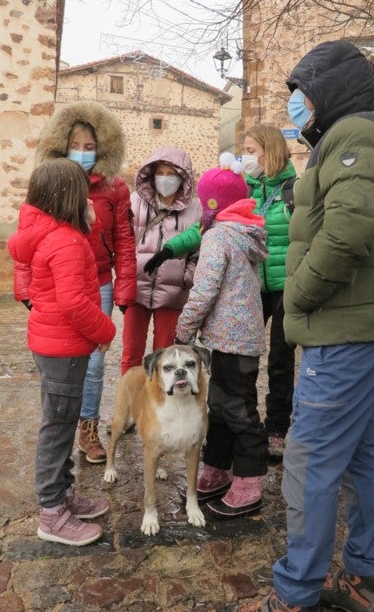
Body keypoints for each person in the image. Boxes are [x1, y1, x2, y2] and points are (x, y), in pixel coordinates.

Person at [217, 39, 374, 612]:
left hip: (345, 326)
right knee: (358, 455)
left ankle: (294, 608)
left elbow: (348, 230)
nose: (293, 106)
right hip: (356, 325)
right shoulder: (350, 136)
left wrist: (296, 296)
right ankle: (363, 581)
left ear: (326, 89)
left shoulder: (354, 134)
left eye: (298, 92)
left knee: (307, 461)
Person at [145, 125, 297, 460]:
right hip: (253, 287)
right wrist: (170, 250)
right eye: (244, 150)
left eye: (252, 149)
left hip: (286, 283)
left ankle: (275, 428)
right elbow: (210, 228)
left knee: (281, 360)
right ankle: (236, 429)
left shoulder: (293, 191)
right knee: (242, 355)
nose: (246, 156)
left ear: (270, 151)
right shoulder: (245, 190)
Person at [8, 159, 117, 546]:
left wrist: (90, 222)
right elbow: (74, 302)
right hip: (64, 348)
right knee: (57, 428)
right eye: (84, 194)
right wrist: (106, 329)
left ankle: (63, 494)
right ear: (71, 197)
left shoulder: (58, 234)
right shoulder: (65, 241)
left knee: (63, 421)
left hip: (55, 345)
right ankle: (51, 512)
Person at [26, 101, 137, 464]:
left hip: (100, 280)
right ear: (61, 144)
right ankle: (60, 426)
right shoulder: (48, 182)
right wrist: (23, 285)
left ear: (103, 149)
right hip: (57, 279)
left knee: (94, 361)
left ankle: (87, 428)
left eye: (91, 147)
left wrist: (125, 286)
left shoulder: (114, 188)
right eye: (77, 145)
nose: (84, 153)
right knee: (60, 358)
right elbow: (28, 234)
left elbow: (124, 236)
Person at [175, 154, 269, 518]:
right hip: (232, 340)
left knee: (240, 410)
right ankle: (216, 467)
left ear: (213, 203)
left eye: (202, 200)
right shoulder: (241, 235)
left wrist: (184, 330)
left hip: (232, 342)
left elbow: (204, 290)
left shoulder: (217, 238)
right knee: (220, 406)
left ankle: (249, 480)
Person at [121, 146, 201, 375]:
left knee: (166, 355)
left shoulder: (195, 209)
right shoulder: (134, 202)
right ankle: (133, 404)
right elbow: (124, 242)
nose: (165, 179)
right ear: (151, 174)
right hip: (136, 289)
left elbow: (198, 251)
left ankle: (160, 405)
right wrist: (127, 276)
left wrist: (186, 279)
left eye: (171, 174)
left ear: (183, 177)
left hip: (173, 292)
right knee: (131, 354)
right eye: (161, 172)